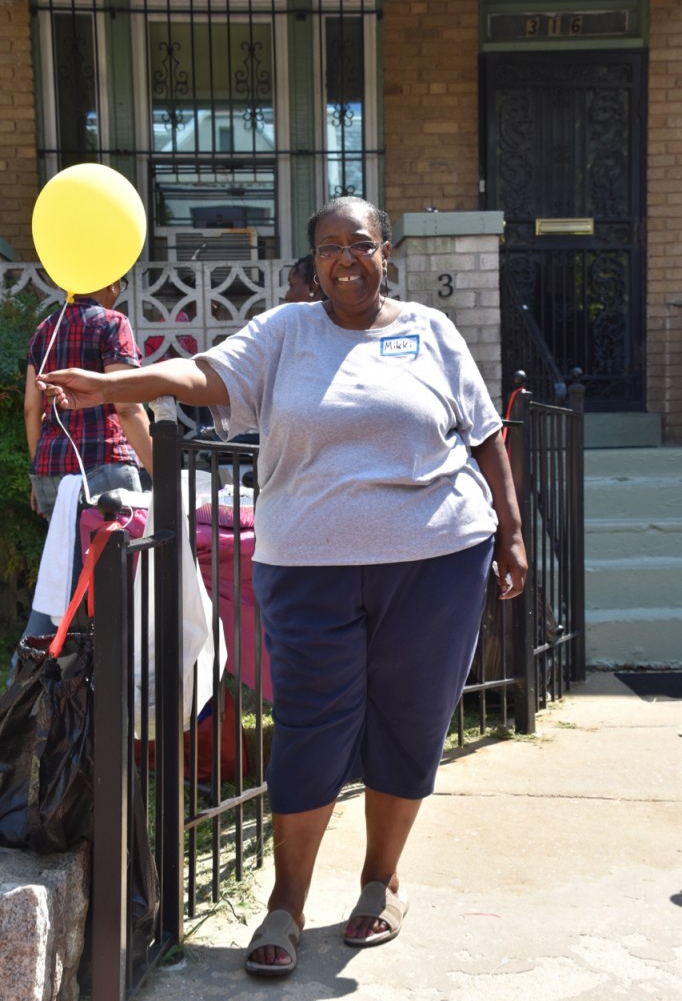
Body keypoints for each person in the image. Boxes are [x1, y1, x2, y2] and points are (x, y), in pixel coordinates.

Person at [38, 197, 527, 977]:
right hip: (306, 566)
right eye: (330, 247)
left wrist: (510, 530)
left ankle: (380, 881)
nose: (347, 259)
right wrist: (121, 384)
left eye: (360, 244)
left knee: (410, 721)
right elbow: (203, 374)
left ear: (385, 252)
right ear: (314, 263)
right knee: (311, 725)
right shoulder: (283, 332)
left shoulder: (428, 332)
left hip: (437, 560)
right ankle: (287, 902)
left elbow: (484, 431)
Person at [18, 277, 153, 651]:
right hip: (103, 468)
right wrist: (160, 470)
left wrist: (38, 474)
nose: (119, 291)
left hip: (51, 471)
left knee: (62, 590)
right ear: (108, 281)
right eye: (121, 284)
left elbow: (32, 407)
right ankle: (34, 686)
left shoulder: (46, 327)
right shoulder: (112, 323)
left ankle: (50, 685)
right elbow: (126, 405)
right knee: (118, 598)